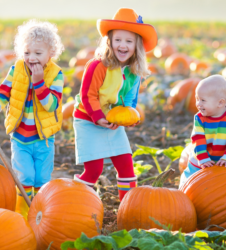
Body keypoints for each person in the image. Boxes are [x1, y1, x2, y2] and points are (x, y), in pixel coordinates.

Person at [0, 19, 64, 219]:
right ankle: (22, 216)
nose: (31, 58)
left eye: (38, 53)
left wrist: (39, 83)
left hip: (44, 140)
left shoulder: (56, 75)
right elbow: (2, 94)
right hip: (20, 138)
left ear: (50, 54)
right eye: (27, 52)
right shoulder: (17, 70)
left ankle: (40, 216)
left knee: (41, 179)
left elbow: (52, 105)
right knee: (24, 177)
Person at [72, 8, 157, 201]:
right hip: (88, 119)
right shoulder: (98, 66)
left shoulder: (134, 72)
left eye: (129, 41)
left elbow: (128, 102)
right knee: (94, 169)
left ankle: (128, 206)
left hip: (112, 119)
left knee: (126, 163)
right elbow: (88, 95)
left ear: (137, 46)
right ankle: (75, 199)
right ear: (109, 41)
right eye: (118, 40)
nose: (122, 45)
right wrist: (98, 118)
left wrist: (129, 118)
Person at [179, 75, 226, 188]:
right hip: (199, 160)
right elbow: (198, 139)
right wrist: (203, 158)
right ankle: (182, 194)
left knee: (219, 187)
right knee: (189, 181)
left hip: (221, 161)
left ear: (220, 103)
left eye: (203, 100)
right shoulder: (199, 118)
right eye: (197, 99)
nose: (198, 104)